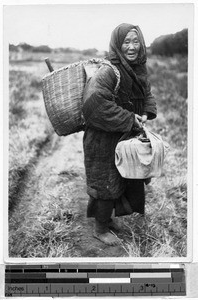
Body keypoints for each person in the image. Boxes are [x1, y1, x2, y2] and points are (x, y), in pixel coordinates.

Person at [82, 23, 157, 246]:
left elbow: (147, 94)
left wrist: (144, 112)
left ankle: (107, 220)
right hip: (103, 138)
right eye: (126, 42)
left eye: (136, 41)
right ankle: (100, 228)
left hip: (124, 135)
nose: (132, 47)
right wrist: (128, 118)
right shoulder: (108, 71)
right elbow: (94, 105)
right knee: (105, 181)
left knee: (123, 177)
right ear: (117, 44)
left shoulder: (139, 69)